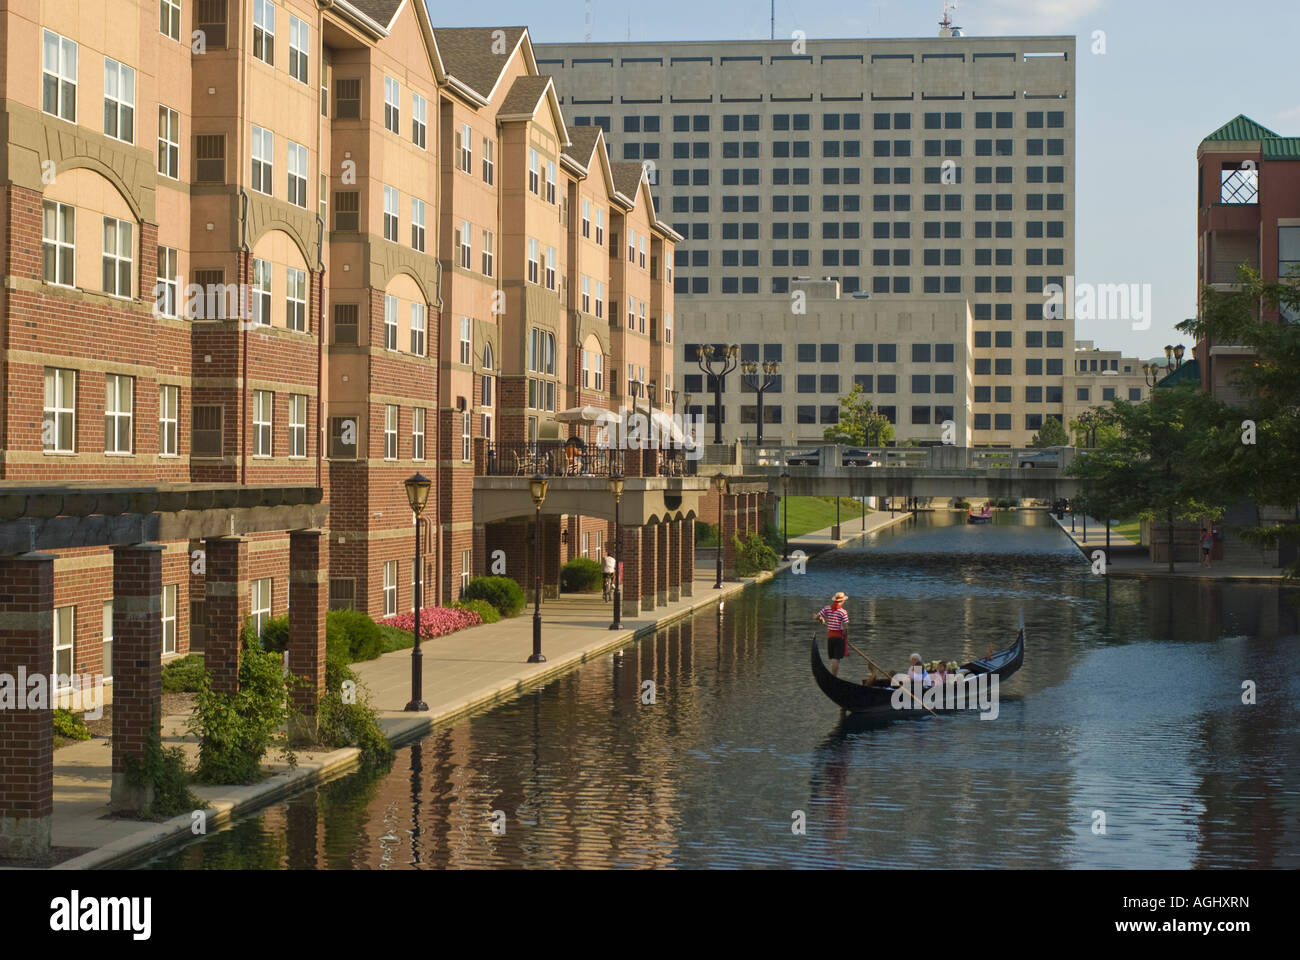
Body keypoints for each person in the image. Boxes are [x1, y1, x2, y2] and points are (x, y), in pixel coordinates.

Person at [816, 592, 850, 676]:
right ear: (842, 601)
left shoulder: (827, 608)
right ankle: (834, 676)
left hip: (830, 637)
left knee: (833, 659)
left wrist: (822, 620)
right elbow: (845, 628)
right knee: (836, 659)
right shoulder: (843, 612)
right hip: (839, 637)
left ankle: (833, 675)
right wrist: (845, 638)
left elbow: (817, 617)